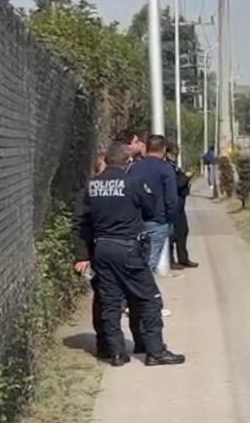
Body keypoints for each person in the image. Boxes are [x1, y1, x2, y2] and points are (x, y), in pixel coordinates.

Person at [73, 142, 185, 366]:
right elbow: (150, 208)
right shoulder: (132, 183)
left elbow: (81, 222)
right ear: (128, 162)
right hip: (128, 248)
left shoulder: (92, 186)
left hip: (102, 249)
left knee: (110, 301)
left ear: (107, 160)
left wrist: (82, 255)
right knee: (149, 299)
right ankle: (155, 351)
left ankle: (116, 352)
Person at [129, 135, 178, 271]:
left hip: (136, 221)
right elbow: (171, 199)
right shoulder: (166, 169)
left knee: (137, 261)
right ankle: (144, 291)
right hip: (158, 221)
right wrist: (170, 219)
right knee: (149, 265)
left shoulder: (134, 168)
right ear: (163, 149)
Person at [167, 144, 198, 269]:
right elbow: (177, 184)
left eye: (177, 154)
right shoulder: (168, 167)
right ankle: (170, 260)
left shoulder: (175, 167)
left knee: (183, 231)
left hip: (180, 205)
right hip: (173, 204)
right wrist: (187, 177)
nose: (175, 156)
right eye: (173, 154)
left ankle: (183, 258)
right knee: (172, 234)